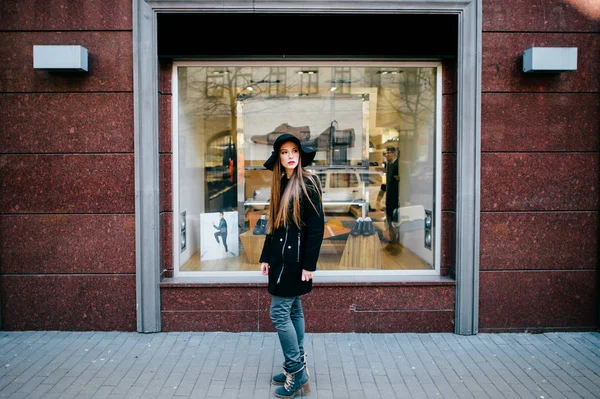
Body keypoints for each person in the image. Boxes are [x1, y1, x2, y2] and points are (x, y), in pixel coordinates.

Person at [259, 133, 325, 399]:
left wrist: (309, 265)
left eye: (294, 151)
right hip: (281, 262)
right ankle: (293, 365)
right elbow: (274, 228)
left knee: (279, 314)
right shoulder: (282, 184)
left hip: (295, 263)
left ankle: (297, 372)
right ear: (279, 158)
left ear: (299, 155)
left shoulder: (307, 184)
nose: (290, 156)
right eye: (284, 152)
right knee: (294, 310)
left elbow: (317, 228)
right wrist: (265, 256)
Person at [382, 147, 400, 254]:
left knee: (395, 221)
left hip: (395, 198)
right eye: (386, 152)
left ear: (394, 153)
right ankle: (392, 241)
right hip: (389, 198)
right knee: (389, 220)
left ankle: (395, 243)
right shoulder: (389, 165)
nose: (387, 155)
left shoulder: (398, 165)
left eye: (389, 153)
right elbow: (386, 183)